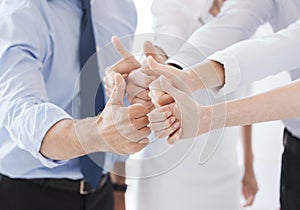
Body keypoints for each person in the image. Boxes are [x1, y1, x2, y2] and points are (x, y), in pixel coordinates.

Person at [108, 1, 258, 209]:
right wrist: (154, 64)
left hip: (224, 167)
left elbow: (245, 90)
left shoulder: (249, 12)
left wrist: (249, 164)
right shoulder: (174, 6)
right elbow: (167, 41)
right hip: (169, 170)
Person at [0, 1, 150, 210]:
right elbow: (23, 112)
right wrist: (97, 134)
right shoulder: (19, 11)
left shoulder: (120, 6)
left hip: (101, 192)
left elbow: (118, 107)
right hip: (26, 194)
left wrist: (118, 191)